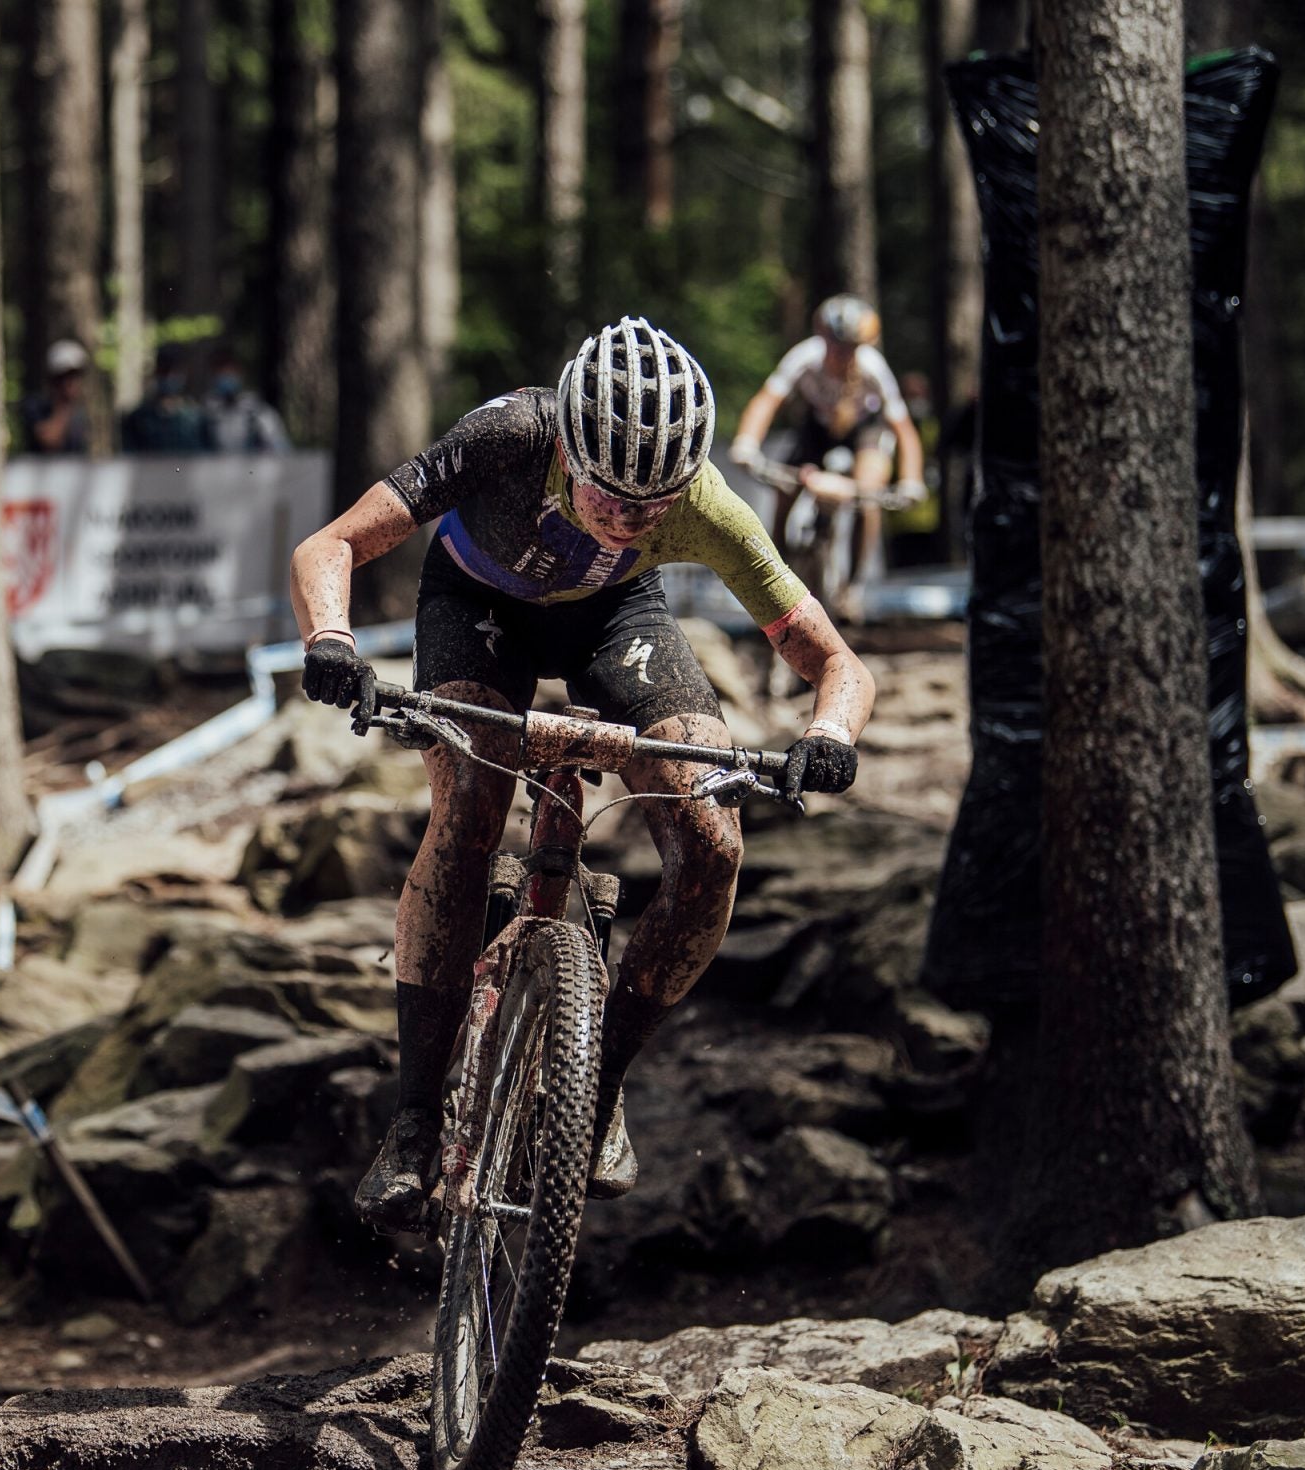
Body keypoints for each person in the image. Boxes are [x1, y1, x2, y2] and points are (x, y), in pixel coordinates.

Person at [290, 317, 877, 1231]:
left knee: (714, 844)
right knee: (471, 804)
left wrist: (830, 731)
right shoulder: (506, 436)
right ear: (566, 445)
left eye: (655, 506)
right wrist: (330, 639)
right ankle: (412, 1121)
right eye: (611, 496)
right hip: (473, 606)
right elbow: (328, 547)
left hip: (615, 620)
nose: (632, 519)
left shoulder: (707, 505)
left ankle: (595, 1091)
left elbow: (838, 661)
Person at [727, 295, 927, 579]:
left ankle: (853, 586)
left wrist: (911, 479)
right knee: (784, 490)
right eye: (835, 343)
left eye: (850, 347)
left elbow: (903, 429)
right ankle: (774, 574)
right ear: (822, 337)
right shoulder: (804, 357)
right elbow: (767, 401)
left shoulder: (873, 368)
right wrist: (746, 442)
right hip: (817, 429)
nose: (841, 353)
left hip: (864, 431)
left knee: (868, 494)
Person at [202, 352, 292, 453]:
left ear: (240, 374)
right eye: (221, 373)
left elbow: (279, 447)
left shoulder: (259, 412)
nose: (226, 377)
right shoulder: (205, 415)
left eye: (230, 372)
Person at [21, 339, 92, 455]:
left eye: (76, 376)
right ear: (54, 379)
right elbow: (50, 441)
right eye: (66, 376)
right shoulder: (34, 405)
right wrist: (64, 404)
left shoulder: (79, 414)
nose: (72, 383)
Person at [121, 362, 208, 454]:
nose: (169, 377)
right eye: (164, 372)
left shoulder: (197, 419)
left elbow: (207, 455)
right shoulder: (137, 418)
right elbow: (130, 455)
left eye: (174, 373)